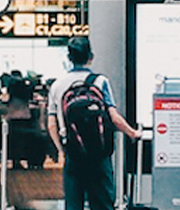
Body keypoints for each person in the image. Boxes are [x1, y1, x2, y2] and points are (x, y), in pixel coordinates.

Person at [47, 37, 138, 210]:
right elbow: (114, 116)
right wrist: (132, 133)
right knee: (102, 203)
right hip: (99, 153)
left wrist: (61, 150)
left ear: (69, 57)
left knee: (74, 204)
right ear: (90, 56)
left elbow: (52, 124)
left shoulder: (57, 85)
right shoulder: (100, 82)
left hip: (73, 151)